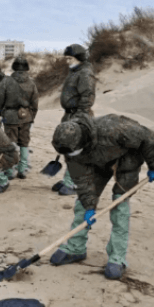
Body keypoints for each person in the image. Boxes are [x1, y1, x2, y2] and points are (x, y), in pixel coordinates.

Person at [49, 114, 154, 279]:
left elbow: (149, 137)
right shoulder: (70, 149)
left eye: (74, 153)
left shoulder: (114, 130)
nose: (71, 156)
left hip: (127, 160)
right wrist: (89, 206)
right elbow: (83, 180)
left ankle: (117, 258)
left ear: (83, 142)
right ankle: (75, 248)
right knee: (82, 205)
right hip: (97, 164)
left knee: (119, 206)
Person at [54, 44, 97, 196]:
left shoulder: (85, 74)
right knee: (66, 147)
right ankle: (68, 178)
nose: (67, 61)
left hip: (78, 116)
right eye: (66, 58)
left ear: (79, 57)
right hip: (69, 115)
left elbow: (87, 97)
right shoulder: (74, 72)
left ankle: (72, 183)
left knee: (75, 151)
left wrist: (80, 118)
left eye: (69, 58)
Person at [0, 56, 39, 179]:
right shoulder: (31, 82)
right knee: (24, 143)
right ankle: (22, 170)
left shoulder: (6, 81)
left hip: (10, 117)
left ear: (14, 67)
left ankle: (10, 170)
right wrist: (31, 117)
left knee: (10, 143)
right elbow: (35, 103)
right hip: (26, 116)